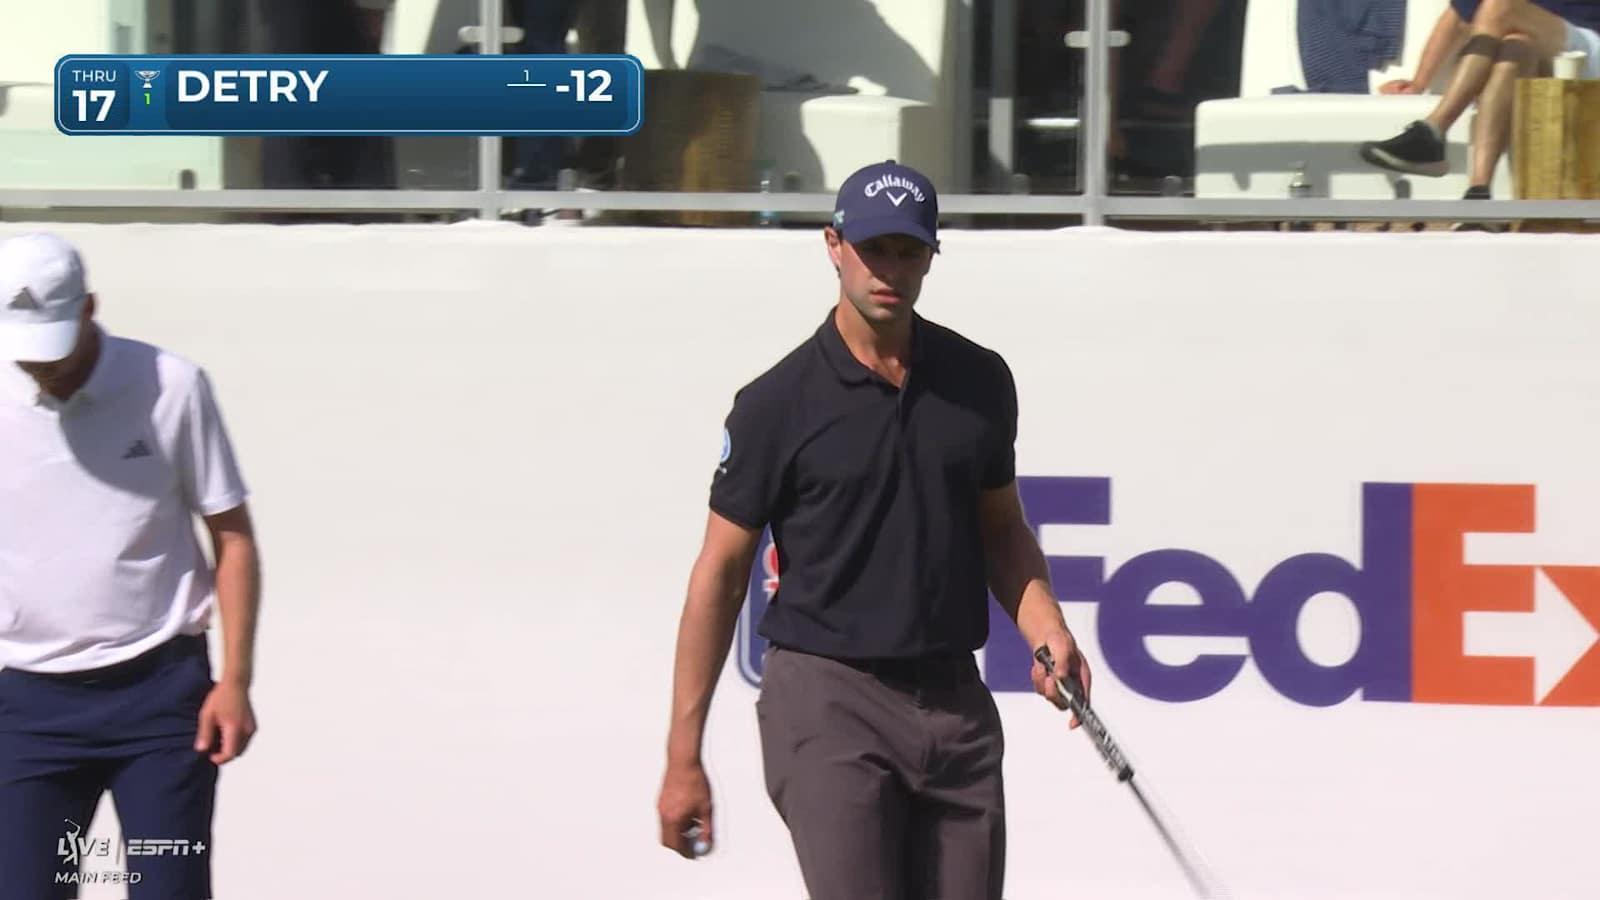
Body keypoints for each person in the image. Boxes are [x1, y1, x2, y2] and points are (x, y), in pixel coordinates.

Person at [654, 161, 1093, 900]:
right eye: (873, 248)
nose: (889, 269)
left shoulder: (979, 381)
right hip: (828, 700)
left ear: (931, 256)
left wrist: (1046, 627)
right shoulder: (776, 403)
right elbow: (721, 573)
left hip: (954, 699)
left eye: (908, 251)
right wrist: (682, 757)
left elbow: (1002, 530)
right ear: (833, 245)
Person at [0, 232, 261, 899]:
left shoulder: (172, 387)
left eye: (53, 351)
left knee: (166, 890)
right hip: (25, 707)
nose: (43, 368)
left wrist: (234, 681)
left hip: (161, 702)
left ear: (90, 308)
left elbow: (231, 538)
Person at [1359, 0, 1600, 199]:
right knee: (1514, 50)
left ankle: (1433, 130)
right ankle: (1480, 190)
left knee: (1499, 6)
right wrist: (1419, 82)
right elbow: (1455, 18)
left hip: (1590, 45)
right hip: (1538, 42)